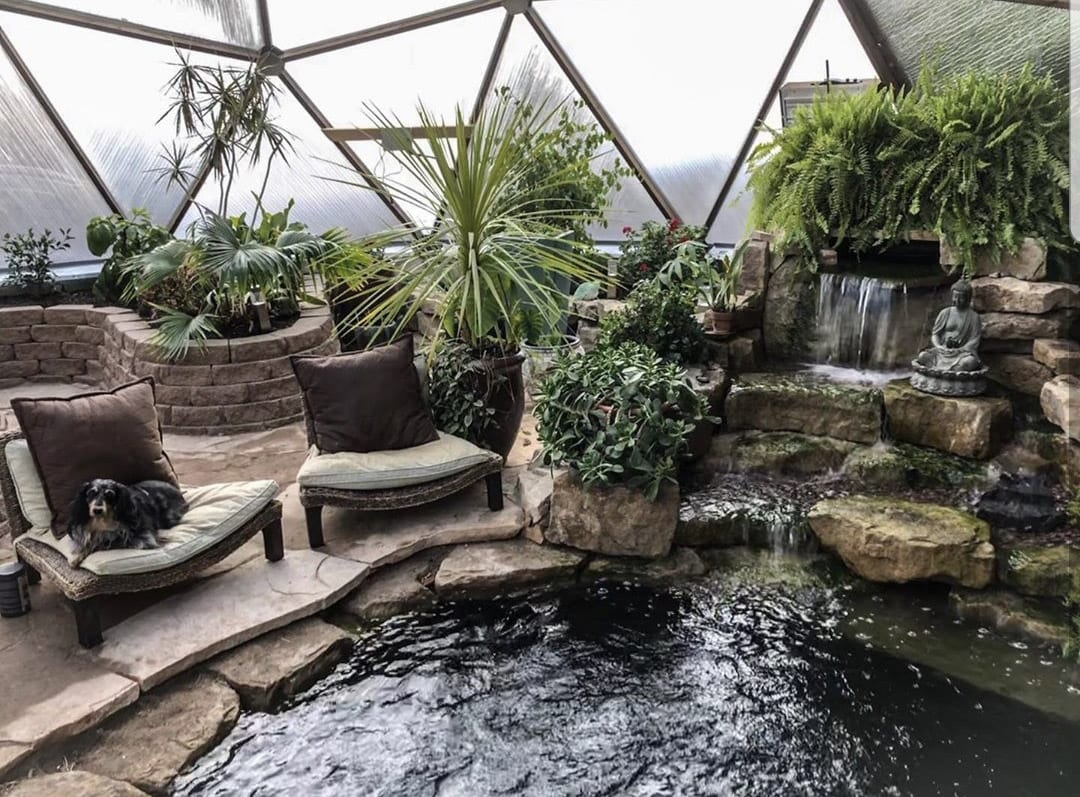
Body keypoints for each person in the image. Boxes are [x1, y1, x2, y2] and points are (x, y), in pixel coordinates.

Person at [915, 280, 982, 372]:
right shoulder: (945, 313)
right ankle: (946, 371)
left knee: (969, 362)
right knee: (922, 356)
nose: (957, 301)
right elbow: (935, 334)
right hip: (942, 351)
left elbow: (974, 340)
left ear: (968, 298)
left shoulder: (973, 317)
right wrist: (939, 346)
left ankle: (940, 372)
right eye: (955, 297)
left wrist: (959, 350)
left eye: (961, 298)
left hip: (961, 354)